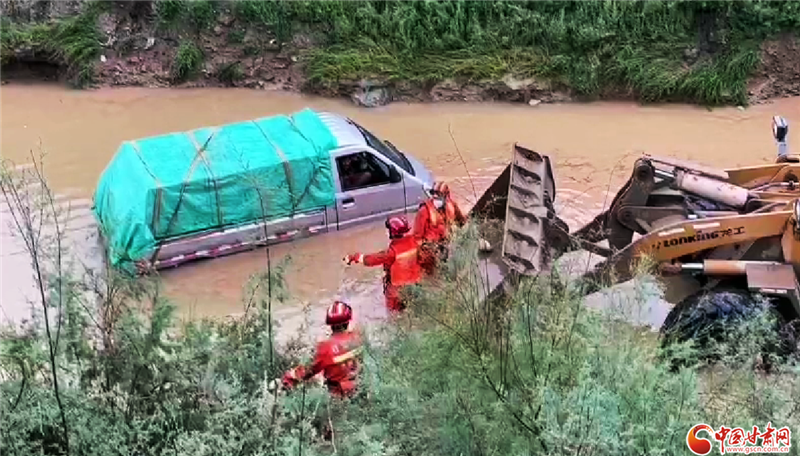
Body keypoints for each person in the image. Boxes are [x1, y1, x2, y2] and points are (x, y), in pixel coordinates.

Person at [281, 301, 363, 398]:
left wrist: (287, 379)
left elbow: (307, 371)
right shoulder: (359, 337)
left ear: (330, 324)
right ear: (348, 321)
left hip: (338, 397)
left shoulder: (325, 347)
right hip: (359, 389)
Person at [344, 215, 422, 313]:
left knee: (395, 316)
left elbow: (370, 260)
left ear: (391, 232)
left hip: (396, 293)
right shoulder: (415, 244)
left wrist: (353, 257)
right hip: (414, 287)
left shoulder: (391, 253)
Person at [413, 181, 467, 276]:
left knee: (445, 270)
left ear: (446, 197)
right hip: (430, 249)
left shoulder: (452, 205)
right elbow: (417, 236)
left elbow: (462, 221)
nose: (435, 198)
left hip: (445, 244)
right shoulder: (424, 211)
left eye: (439, 195)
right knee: (430, 275)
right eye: (434, 195)